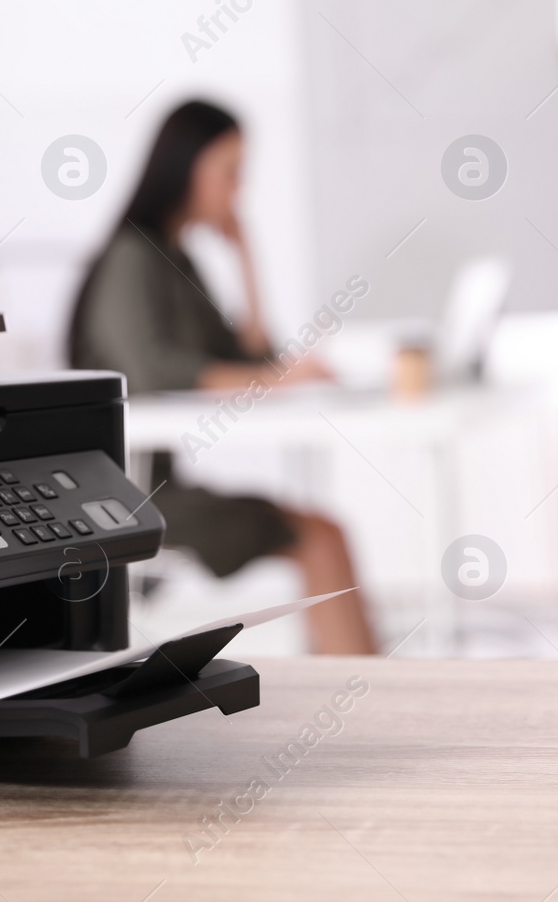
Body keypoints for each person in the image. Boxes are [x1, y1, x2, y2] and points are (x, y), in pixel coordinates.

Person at [68, 100, 377, 654]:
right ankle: (369, 698)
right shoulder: (132, 256)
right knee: (322, 538)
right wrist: (279, 381)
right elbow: (154, 370)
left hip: (160, 487)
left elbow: (250, 355)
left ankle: (366, 694)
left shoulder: (173, 258)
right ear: (185, 167)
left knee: (325, 533)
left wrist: (246, 256)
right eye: (229, 172)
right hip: (127, 499)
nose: (237, 191)